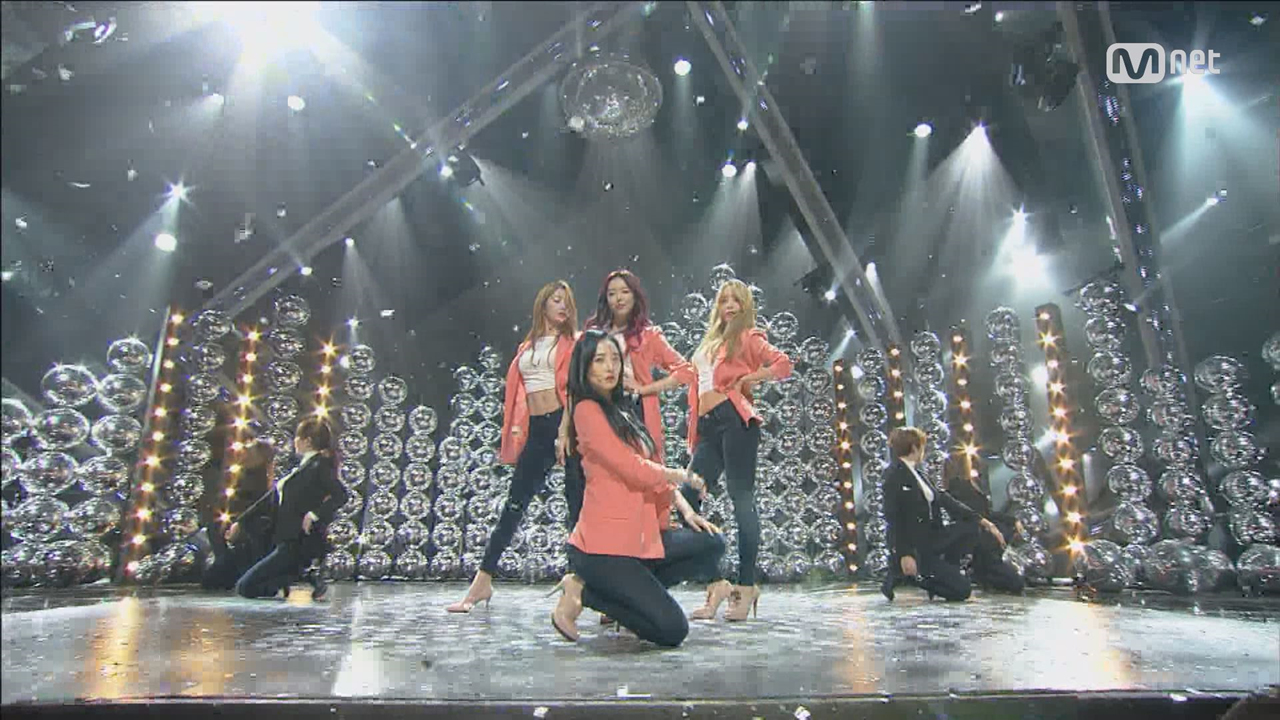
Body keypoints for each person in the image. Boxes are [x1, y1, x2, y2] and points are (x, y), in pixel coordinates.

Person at [550, 330, 724, 647]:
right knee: (673, 630)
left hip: (641, 538)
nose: (610, 367)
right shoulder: (586, 410)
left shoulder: (622, 409)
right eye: (599, 360)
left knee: (712, 543)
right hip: (604, 549)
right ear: (584, 367)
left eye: (615, 359)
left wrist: (686, 511)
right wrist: (681, 475)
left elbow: (649, 467)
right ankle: (585, 592)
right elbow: (631, 467)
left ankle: (631, 597)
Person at [448, 280, 580, 613]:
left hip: (566, 426)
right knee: (514, 505)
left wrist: (564, 430)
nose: (563, 306)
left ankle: (588, 588)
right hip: (537, 429)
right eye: (556, 300)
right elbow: (519, 395)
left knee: (577, 509)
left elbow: (575, 390)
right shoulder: (527, 346)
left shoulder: (573, 343)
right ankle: (482, 582)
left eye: (566, 301)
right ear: (543, 305)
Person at [676, 278, 793, 621]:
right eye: (724, 300)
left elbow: (783, 363)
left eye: (736, 300)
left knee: (741, 498)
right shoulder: (710, 340)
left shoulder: (748, 336)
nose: (729, 306)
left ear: (745, 306)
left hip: (735, 420)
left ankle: (746, 584)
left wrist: (749, 379)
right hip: (707, 426)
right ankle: (716, 582)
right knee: (688, 497)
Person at [880, 427, 1006, 602]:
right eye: (922, 446)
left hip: (934, 537)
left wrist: (983, 521)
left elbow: (946, 500)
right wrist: (904, 553)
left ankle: (946, 569)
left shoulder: (920, 475)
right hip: (917, 545)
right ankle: (913, 577)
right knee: (962, 591)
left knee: (970, 528)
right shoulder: (893, 475)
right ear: (914, 447)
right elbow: (894, 518)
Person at [230, 418, 348, 600]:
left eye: (297, 438)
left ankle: (300, 573)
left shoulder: (319, 466)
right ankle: (299, 574)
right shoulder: (302, 467)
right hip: (282, 538)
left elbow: (341, 495)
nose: (294, 442)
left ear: (307, 441)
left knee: (245, 587)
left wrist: (314, 514)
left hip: (296, 541)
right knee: (255, 584)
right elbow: (268, 500)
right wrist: (241, 521)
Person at [942, 458, 1026, 594]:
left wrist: (1013, 520)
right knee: (1015, 582)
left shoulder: (974, 483)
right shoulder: (958, 486)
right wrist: (991, 527)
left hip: (984, 531)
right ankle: (986, 572)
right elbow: (971, 513)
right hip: (976, 534)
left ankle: (988, 573)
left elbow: (987, 512)